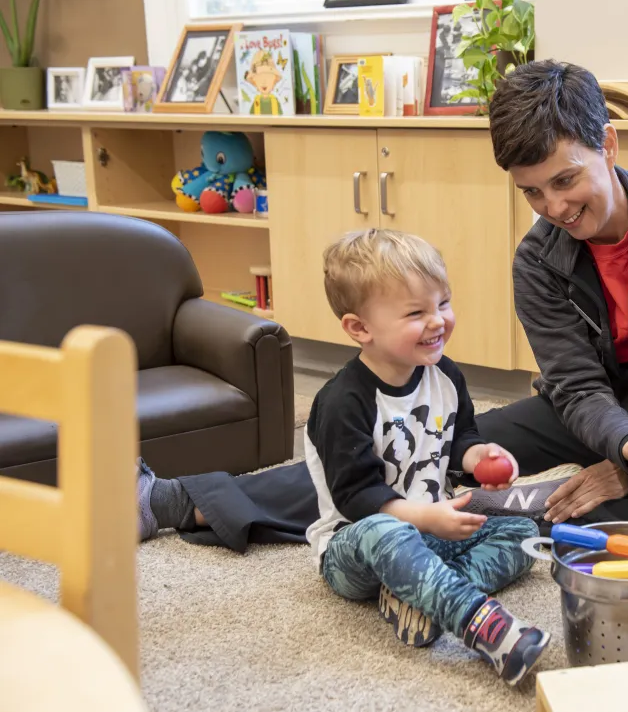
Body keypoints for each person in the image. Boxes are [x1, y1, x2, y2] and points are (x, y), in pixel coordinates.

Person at [138, 59, 628, 575]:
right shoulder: (537, 258)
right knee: (400, 445)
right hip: (580, 411)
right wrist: (619, 444)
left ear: (607, 144)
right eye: (531, 190)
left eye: (566, 180)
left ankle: (508, 511)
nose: (553, 205)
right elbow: (577, 384)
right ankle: (183, 498)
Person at [143, 228, 550, 686]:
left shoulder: (444, 375)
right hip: (355, 544)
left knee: (520, 532)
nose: (438, 321)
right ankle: (484, 625)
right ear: (360, 328)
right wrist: (425, 518)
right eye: (417, 312)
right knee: (385, 532)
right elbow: (357, 496)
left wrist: (480, 456)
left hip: (429, 529)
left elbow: (461, 439)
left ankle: (419, 593)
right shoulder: (342, 401)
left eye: (443, 303)